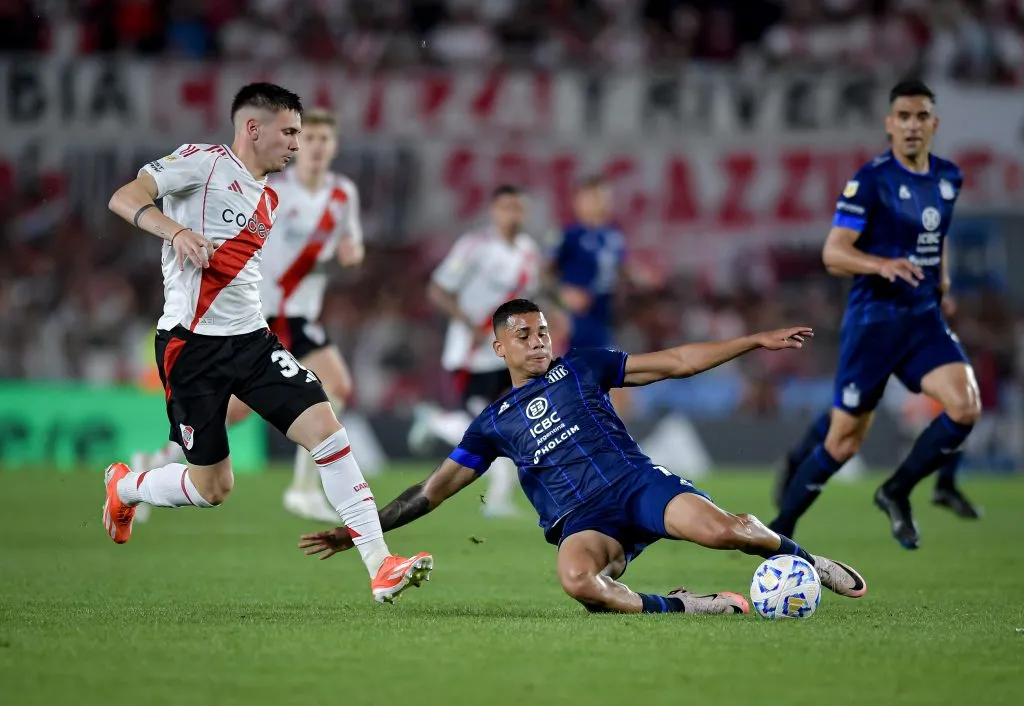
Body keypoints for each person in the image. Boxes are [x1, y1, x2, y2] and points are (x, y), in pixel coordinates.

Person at [300, 299, 867, 615]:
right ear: (498, 347)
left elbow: (676, 362)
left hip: (638, 486)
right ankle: (689, 607)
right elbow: (432, 491)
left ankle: (808, 561)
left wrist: (753, 341)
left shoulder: (583, 367)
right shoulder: (492, 423)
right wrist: (362, 531)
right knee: (579, 583)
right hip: (584, 521)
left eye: (543, 332)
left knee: (726, 533)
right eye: (524, 334)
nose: (538, 341)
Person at [103, 83, 431, 603]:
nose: (296, 144)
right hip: (191, 348)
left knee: (328, 433)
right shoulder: (202, 162)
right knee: (213, 488)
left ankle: (381, 564)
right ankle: (125, 487)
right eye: (290, 132)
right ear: (253, 128)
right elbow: (125, 196)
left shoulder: (269, 197)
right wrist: (175, 232)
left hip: (253, 342)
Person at [769, 79, 982, 549]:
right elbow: (833, 252)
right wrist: (880, 264)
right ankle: (780, 530)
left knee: (965, 405)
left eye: (921, 116)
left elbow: (938, 235)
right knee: (844, 442)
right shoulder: (870, 181)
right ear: (889, 124)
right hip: (874, 324)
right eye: (903, 117)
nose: (912, 125)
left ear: (934, 124)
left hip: (923, 319)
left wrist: (943, 283)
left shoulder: (949, 177)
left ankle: (896, 490)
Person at [131, 107, 364, 525]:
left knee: (328, 389)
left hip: (301, 313)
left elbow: (347, 251)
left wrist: (349, 257)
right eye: (307, 138)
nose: (314, 147)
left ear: (334, 146)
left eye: (323, 140)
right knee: (243, 410)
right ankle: (159, 463)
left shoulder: (343, 195)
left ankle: (301, 488)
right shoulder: (273, 189)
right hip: (262, 313)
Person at [407, 185, 541, 517]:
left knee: (514, 423)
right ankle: (437, 421)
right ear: (494, 211)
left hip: (506, 354)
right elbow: (438, 289)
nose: (513, 214)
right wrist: (468, 323)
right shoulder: (475, 246)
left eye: (518, 207)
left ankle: (496, 500)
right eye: (506, 207)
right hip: (471, 355)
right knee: (494, 427)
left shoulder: (528, 251)